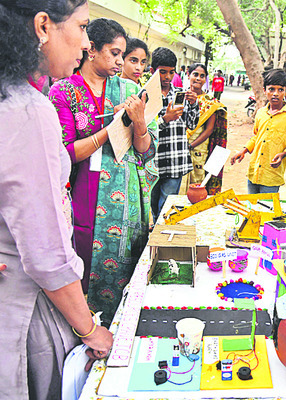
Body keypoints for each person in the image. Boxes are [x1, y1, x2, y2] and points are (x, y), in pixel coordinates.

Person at [0, 1, 113, 397]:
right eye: (81, 28)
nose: (85, 43)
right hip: (21, 311)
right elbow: (46, 254)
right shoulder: (30, 111)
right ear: (42, 26)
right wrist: (90, 329)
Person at [49, 18, 158, 326]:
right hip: (84, 191)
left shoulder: (129, 89)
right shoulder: (64, 92)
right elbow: (65, 152)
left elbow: (146, 150)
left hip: (125, 198)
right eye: (114, 53)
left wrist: (138, 123)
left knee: (123, 267)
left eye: (124, 55)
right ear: (92, 50)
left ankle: (120, 330)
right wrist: (108, 131)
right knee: (82, 263)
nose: (121, 62)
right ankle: (84, 331)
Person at [230, 68, 286, 194]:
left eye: (280, 90)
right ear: (265, 91)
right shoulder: (260, 113)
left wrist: (284, 154)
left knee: (266, 210)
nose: (275, 93)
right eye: (271, 89)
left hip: (272, 175)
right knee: (251, 209)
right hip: (254, 172)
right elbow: (256, 136)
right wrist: (244, 150)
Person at [149, 47, 199, 218]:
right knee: (154, 206)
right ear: (152, 71)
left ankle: (158, 239)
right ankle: (155, 238)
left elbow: (191, 124)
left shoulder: (178, 95)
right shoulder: (146, 97)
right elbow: (143, 130)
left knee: (165, 207)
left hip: (175, 161)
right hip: (153, 162)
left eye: (171, 72)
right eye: (162, 72)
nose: (167, 77)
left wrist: (193, 105)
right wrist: (165, 119)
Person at [186, 63, 228, 194]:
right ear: (189, 75)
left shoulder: (211, 103)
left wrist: (191, 145)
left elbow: (209, 130)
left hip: (199, 147)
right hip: (180, 146)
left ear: (206, 80)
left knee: (197, 181)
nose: (198, 78)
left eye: (202, 76)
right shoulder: (180, 96)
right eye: (195, 74)